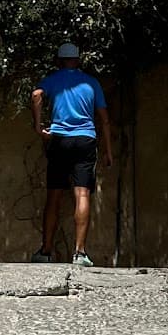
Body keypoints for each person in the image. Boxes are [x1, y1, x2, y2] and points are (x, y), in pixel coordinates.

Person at [30, 41, 113, 266]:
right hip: (85, 140)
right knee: (82, 195)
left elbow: (36, 95)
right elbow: (104, 118)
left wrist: (38, 127)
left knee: (54, 196)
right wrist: (108, 150)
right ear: (78, 60)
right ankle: (79, 253)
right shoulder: (91, 82)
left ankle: (46, 251)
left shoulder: (53, 79)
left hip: (59, 140)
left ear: (59, 60)